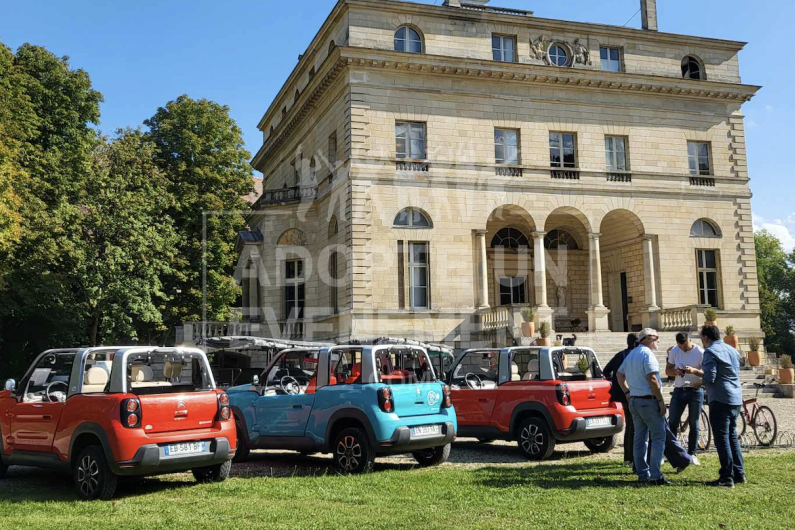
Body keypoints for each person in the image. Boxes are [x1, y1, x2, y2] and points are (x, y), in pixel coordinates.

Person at [683, 325, 745, 487]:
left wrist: (697, 383)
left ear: (706, 338)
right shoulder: (732, 350)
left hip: (720, 398)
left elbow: (710, 377)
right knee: (732, 436)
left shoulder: (710, 351)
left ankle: (726, 477)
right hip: (735, 397)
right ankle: (739, 473)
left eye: (702, 338)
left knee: (722, 438)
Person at [617, 328, 669, 486]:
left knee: (640, 438)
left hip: (635, 400)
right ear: (648, 339)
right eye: (656, 338)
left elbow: (620, 374)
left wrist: (627, 392)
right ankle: (655, 475)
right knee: (658, 436)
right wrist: (660, 400)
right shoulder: (647, 354)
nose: (658, 341)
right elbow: (652, 378)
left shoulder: (632, 353)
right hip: (648, 400)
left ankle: (642, 473)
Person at [666, 332, 705, 456]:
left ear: (690, 340)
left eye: (686, 346)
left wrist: (693, 371)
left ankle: (692, 453)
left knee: (694, 423)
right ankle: (673, 453)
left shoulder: (700, 352)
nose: (684, 348)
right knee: (672, 421)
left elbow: (707, 373)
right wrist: (676, 372)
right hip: (679, 389)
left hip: (695, 390)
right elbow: (668, 370)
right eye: (681, 347)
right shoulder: (674, 351)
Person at [603, 333, 638, 467]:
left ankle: (628, 457)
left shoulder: (620, 354)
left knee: (629, 425)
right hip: (633, 392)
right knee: (634, 426)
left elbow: (606, 371)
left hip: (622, 395)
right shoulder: (636, 355)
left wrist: (615, 383)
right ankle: (633, 458)